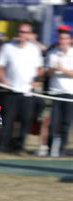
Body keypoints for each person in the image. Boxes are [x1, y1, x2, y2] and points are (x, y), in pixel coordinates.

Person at [0, 22, 44, 153]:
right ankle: (2, 146)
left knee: (26, 120)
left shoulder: (34, 50)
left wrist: (37, 81)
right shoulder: (7, 47)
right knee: (7, 120)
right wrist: (4, 81)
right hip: (11, 91)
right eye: (21, 32)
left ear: (30, 35)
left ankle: (19, 147)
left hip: (27, 92)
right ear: (17, 33)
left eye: (26, 32)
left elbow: (40, 69)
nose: (23, 35)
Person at [46, 28, 73, 157]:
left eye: (65, 39)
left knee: (66, 123)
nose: (62, 41)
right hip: (55, 92)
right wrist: (52, 70)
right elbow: (47, 73)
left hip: (69, 93)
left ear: (70, 40)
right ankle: (50, 148)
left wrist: (63, 70)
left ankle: (62, 149)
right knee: (53, 123)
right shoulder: (53, 53)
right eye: (60, 38)